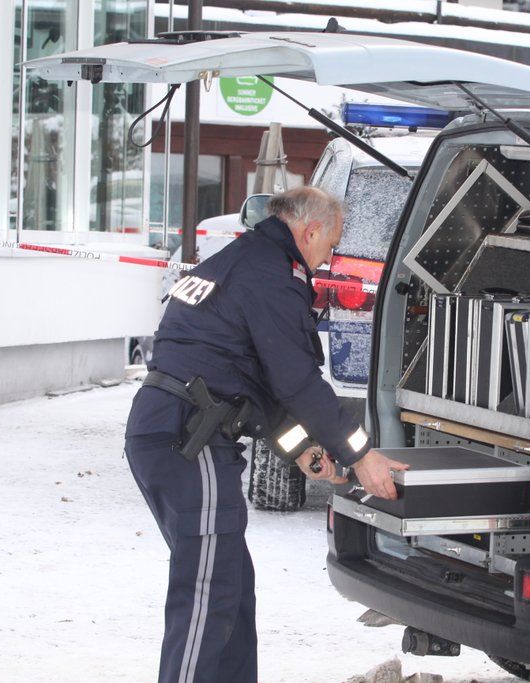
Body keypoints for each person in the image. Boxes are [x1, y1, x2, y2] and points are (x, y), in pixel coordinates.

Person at [124, 186, 408, 683]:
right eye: (331, 244)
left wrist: (300, 449)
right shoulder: (270, 275)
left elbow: (248, 379)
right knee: (207, 591)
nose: (330, 257)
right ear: (311, 230)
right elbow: (296, 381)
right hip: (189, 440)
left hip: (174, 427)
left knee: (231, 583)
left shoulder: (242, 260)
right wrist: (361, 455)